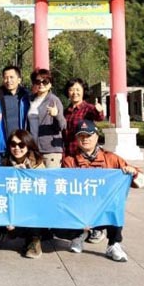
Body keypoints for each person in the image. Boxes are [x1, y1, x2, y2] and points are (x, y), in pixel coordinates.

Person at [61, 119, 144, 262]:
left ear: (97, 136)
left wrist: (133, 172)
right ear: (76, 139)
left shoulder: (111, 158)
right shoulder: (69, 160)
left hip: (104, 208)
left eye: (89, 135)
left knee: (116, 205)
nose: (85, 139)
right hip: (80, 208)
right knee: (60, 218)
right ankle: (79, 235)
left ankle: (113, 244)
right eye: (81, 136)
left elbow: (141, 180)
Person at [63, 77, 105, 242]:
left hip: (84, 157)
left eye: (78, 89)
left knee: (89, 193)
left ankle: (97, 228)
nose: (75, 92)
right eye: (72, 89)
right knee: (74, 193)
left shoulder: (87, 108)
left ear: (83, 91)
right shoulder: (66, 111)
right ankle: (79, 227)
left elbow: (98, 116)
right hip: (69, 156)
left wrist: (100, 110)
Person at [3, 129, 45, 258]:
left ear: (28, 145)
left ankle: (35, 240)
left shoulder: (38, 164)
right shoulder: (5, 163)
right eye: (13, 144)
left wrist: (26, 174)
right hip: (14, 208)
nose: (17, 148)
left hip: (33, 209)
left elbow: (41, 193)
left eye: (21, 145)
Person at [0, 65, 29, 166]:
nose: (8, 80)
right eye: (5, 77)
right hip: (2, 146)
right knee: (2, 178)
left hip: (21, 146)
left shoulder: (26, 97)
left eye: (11, 77)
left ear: (19, 79)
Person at [26, 68, 67, 168]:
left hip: (50, 151)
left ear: (50, 84)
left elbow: (63, 125)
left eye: (45, 81)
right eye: (37, 81)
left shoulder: (54, 100)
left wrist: (56, 115)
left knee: (50, 181)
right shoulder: (30, 100)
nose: (41, 84)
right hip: (33, 149)